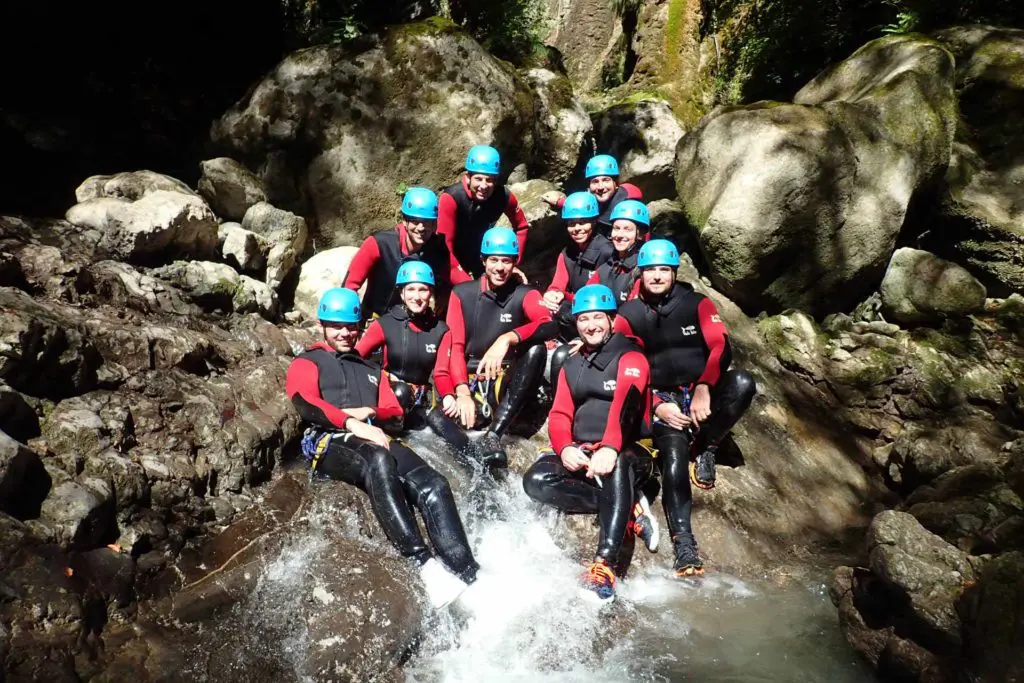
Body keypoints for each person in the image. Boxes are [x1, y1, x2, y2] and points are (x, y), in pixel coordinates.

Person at [286, 287, 479, 608]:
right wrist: (350, 421)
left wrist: (371, 413)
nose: (345, 333)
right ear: (323, 325)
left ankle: (469, 573)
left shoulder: (370, 369)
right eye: (336, 326)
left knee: (435, 484)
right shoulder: (308, 361)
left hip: (375, 434)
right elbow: (304, 402)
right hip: (329, 439)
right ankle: (423, 565)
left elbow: (394, 412)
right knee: (378, 458)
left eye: (351, 326)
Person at [613, 239, 757, 577]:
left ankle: (706, 444)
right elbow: (623, 366)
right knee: (674, 459)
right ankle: (684, 543)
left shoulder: (697, 303)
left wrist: (706, 384)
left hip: (699, 389)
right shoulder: (629, 315)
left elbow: (720, 345)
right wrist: (656, 405)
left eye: (664, 270)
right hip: (662, 399)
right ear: (642, 273)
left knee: (742, 384)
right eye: (651, 270)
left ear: (675, 273)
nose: (658, 276)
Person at [523, 284, 660, 603]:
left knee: (621, 464)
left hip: (630, 453)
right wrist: (565, 448)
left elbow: (627, 403)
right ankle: (628, 507)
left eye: (598, 317)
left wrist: (611, 447)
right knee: (535, 481)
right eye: (584, 319)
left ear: (612, 319)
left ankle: (604, 566)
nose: (591, 325)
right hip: (586, 453)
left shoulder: (631, 356)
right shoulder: (572, 363)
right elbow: (559, 413)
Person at [355, 261, 489, 470]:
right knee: (400, 392)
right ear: (401, 293)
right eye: (411, 289)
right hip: (391, 395)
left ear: (431, 293)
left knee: (439, 416)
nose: (417, 296)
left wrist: (448, 396)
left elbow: (442, 372)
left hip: (419, 401)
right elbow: (357, 359)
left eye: (423, 289)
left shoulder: (441, 330)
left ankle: (477, 464)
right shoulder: (385, 324)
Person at [444, 227, 557, 467]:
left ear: (515, 263)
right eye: (493, 260)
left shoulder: (524, 293)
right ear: (483, 261)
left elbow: (548, 324)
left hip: (506, 379)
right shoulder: (462, 294)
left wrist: (508, 338)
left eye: (506, 261)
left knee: (536, 349)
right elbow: (455, 345)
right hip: (473, 378)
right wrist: (462, 391)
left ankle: (494, 433)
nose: (499, 267)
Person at [344, 187, 469, 321]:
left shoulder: (437, 249)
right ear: (404, 221)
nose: (421, 228)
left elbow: (459, 278)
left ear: (434, 225)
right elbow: (348, 288)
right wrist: (351, 323)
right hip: (372, 319)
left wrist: (446, 292)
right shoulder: (379, 243)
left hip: (411, 324)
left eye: (427, 223)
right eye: (415, 221)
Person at [438, 145, 530, 278]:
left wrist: (513, 264)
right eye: (478, 179)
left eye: (489, 180)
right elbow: (445, 246)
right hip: (450, 258)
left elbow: (522, 227)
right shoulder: (451, 198)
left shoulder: (503, 196)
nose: (483, 186)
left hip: (482, 256)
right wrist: (464, 283)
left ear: (496, 181)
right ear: (468, 177)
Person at [541, 191, 615, 341]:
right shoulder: (567, 253)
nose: (577, 228)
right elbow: (557, 285)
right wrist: (551, 295)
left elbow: (605, 299)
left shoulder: (608, 252)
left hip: (597, 318)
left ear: (594, 222)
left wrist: (564, 296)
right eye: (571, 224)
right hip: (574, 315)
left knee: (565, 310)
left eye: (582, 222)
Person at [542, 154, 643, 235]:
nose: (600, 187)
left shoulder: (628, 204)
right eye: (595, 182)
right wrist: (560, 202)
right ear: (589, 187)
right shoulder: (594, 201)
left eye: (606, 180)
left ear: (616, 183)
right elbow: (583, 206)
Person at [585, 199, 650, 303]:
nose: (619, 235)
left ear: (640, 234)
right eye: (616, 228)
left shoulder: (643, 271)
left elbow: (635, 313)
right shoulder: (607, 267)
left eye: (627, 229)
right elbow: (586, 297)